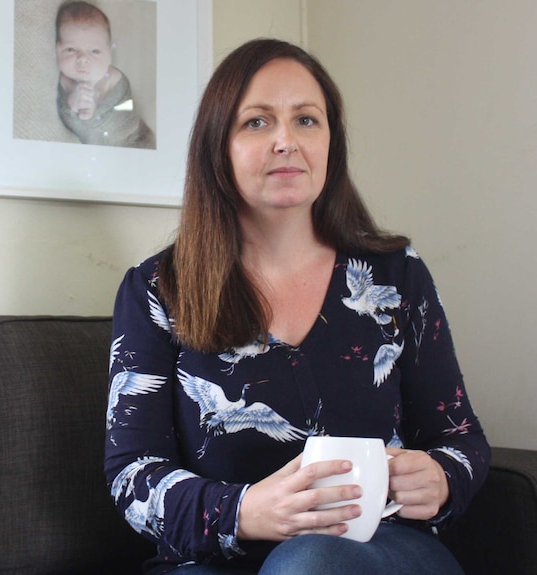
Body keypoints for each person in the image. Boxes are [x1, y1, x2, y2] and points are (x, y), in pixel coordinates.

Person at [105, 38, 489, 574]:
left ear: (331, 141)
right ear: (218, 146)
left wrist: (443, 477)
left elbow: (460, 436)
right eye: (257, 123)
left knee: (310, 562)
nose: (286, 141)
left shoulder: (397, 275)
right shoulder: (157, 288)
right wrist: (245, 511)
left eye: (307, 120)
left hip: (376, 551)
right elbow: (133, 474)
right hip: (213, 556)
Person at [55, 1, 155, 149]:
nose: (83, 59)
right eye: (71, 49)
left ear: (109, 54)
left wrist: (92, 113)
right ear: (58, 49)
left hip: (136, 140)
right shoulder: (63, 80)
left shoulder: (114, 81)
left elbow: (122, 127)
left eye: (95, 51)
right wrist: (70, 105)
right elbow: (66, 117)